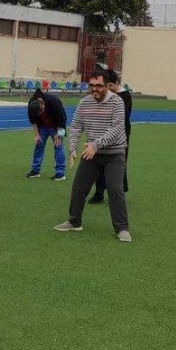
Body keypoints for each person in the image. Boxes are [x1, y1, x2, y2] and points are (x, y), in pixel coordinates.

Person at [54, 70, 131, 241]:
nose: (94, 89)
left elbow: (117, 128)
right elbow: (75, 127)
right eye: (91, 85)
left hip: (114, 153)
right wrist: (72, 149)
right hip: (91, 154)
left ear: (106, 86)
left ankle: (122, 228)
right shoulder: (84, 103)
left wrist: (96, 144)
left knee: (115, 188)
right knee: (78, 188)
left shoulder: (117, 102)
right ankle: (75, 222)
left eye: (98, 86)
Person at [88, 69, 132, 203]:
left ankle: (118, 193)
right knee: (98, 163)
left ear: (115, 83)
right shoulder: (103, 96)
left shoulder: (124, 97)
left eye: (110, 86)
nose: (108, 89)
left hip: (119, 137)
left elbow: (121, 120)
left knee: (117, 165)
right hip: (101, 134)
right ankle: (99, 192)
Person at [25, 88, 67, 181]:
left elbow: (63, 120)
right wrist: (37, 135)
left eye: (42, 111)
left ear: (42, 103)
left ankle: (60, 173)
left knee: (58, 146)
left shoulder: (54, 102)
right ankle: (35, 171)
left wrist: (59, 135)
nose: (41, 114)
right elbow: (33, 121)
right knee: (39, 144)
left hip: (56, 126)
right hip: (42, 126)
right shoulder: (31, 105)